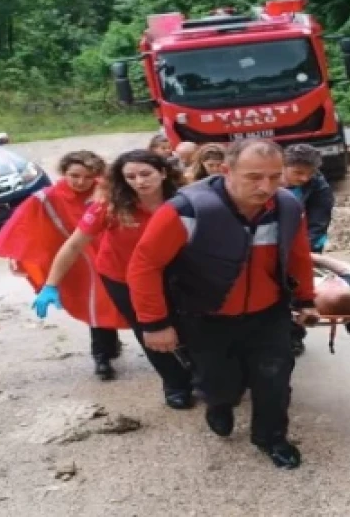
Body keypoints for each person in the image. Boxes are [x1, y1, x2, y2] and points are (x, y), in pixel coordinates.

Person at [126, 139, 319, 469]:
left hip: (267, 314)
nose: (266, 187)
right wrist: (155, 323)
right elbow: (144, 266)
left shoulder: (286, 208)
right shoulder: (185, 210)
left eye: (275, 177)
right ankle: (219, 404)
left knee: (274, 378)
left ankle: (271, 437)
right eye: (254, 176)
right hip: (205, 316)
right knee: (219, 383)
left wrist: (306, 300)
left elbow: (298, 256)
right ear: (227, 170)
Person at [31, 150, 196, 408]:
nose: (139, 182)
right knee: (149, 330)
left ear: (162, 172)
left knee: (188, 325)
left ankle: (197, 370)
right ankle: (175, 383)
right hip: (122, 277)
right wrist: (50, 284)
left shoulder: (187, 200)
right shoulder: (109, 206)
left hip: (173, 273)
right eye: (130, 176)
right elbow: (74, 245)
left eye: (145, 174)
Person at [0, 150, 128, 380]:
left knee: (121, 302)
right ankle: (102, 355)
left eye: (88, 176)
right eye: (74, 175)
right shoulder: (47, 197)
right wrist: (22, 258)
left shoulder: (110, 190)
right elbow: (23, 228)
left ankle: (123, 349)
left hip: (112, 255)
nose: (81, 182)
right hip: (76, 260)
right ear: (64, 173)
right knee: (94, 304)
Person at [283, 144, 336, 356]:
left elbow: (319, 219)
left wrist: (307, 252)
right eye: (298, 173)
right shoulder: (265, 181)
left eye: (309, 173)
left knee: (300, 293)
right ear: (283, 166)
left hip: (303, 244)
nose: (305, 178)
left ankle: (295, 335)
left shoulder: (318, 185)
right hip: (268, 244)